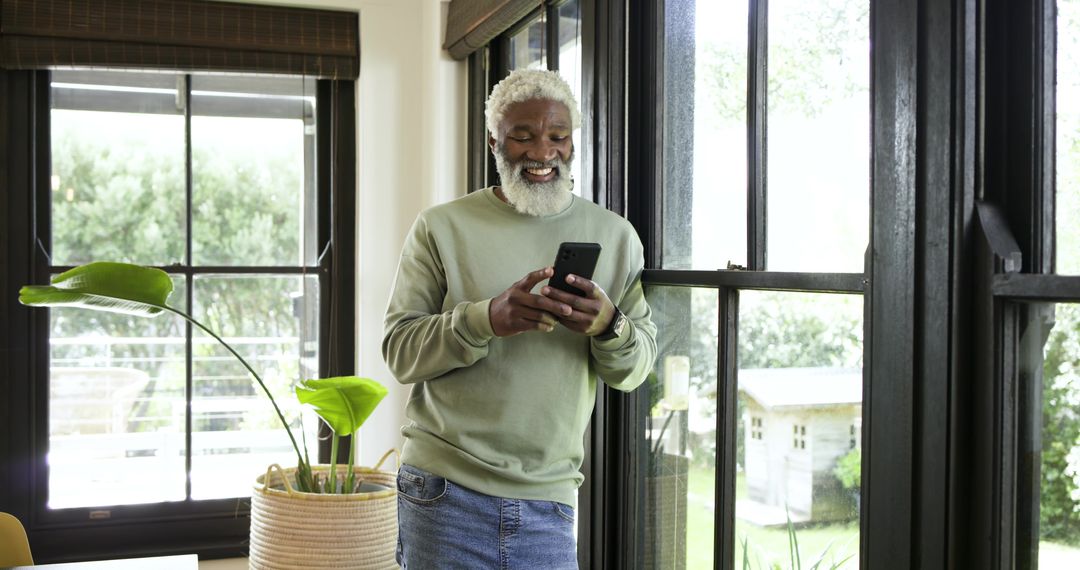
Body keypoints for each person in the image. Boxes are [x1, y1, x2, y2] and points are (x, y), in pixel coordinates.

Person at [383, 69, 657, 569]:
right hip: (444, 493)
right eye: (523, 136)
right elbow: (400, 352)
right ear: (495, 141)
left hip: (549, 503)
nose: (541, 152)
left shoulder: (615, 236)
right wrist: (486, 318)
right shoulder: (441, 227)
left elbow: (635, 368)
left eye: (557, 136)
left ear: (573, 142)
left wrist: (607, 324)